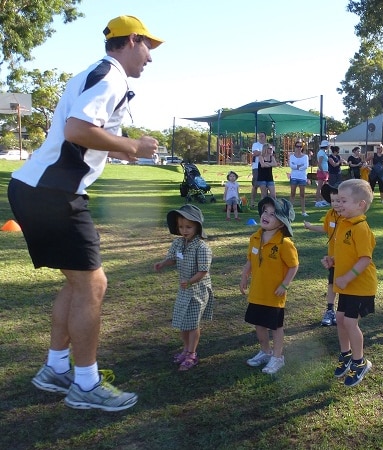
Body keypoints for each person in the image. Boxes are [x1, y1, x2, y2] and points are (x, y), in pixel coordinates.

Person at [7, 15, 163, 411]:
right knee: (93, 285)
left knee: (79, 284)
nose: (150, 57)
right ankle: (85, 384)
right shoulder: (109, 76)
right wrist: (132, 146)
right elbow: (77, 130)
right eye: (149, 47)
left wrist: (117, 146)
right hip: (53, 192)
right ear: (131, 41)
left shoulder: (92, 74)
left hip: (36, 188)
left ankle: (57, 368)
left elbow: (81, 136)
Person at [324, 179, 378, 387]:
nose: (339, 204)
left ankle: (360, 361)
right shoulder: (344, 224)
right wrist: (332, 261)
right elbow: (347, 254)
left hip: (361, 286)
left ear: (360, 205)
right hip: (347, 285)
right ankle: (345, 355)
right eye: (337, 200)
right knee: (340, 319)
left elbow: (365, 259)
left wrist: (346, 277)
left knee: (349, 322)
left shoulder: (361, 228)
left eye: (343, 200)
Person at [240, 197, 299, 375]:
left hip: (275, 294)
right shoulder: (255, 237)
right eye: (265, 211)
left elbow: (293, 266)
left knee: (276, 327)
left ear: (281, 223)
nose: (266, 215)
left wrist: (285, 285)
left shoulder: (284, 243)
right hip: (257, 292)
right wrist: (244, 276)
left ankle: (278, 357)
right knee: (259, 324)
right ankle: (265, 352)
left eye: (273, 214)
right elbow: (250, 260)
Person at [154, 205, 214, 371]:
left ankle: (192, 354)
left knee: (193, 323)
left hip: (198, 290)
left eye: (188, 227)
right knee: (182, 321)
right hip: (184, 288)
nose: (184, 230)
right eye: (181, 227)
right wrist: (163, 263)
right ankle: (185, 349)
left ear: (197, 227)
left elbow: (203, 270)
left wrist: (190, 281)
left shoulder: (202, 248)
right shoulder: (178, 243)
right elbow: (173, 259)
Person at [304, 183, 341, 327]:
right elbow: (325, 228)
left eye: (339, 200)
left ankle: (341, 313)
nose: (336, 204)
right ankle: (330, 310)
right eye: (333, 201)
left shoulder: (348, 217)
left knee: (343, 285)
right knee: (332, 283)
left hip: (346, 260)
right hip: (332, 259)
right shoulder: (330, 215)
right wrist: (310, 227)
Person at [289, 140, 309, 217]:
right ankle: (290, 210)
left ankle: (303, 211)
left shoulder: (305, 156)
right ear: (295, 147)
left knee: (302, 194)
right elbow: (291, 166)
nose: (298, 148)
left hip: (302, 177)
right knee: (292, 193)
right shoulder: (292, 156)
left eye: (300, 146)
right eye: (297, 146)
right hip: (294, 176)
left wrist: (297, 167)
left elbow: (305, 166)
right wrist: (299, 166)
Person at [250, 132, 266, 207]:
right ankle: (252, 202)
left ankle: (263, 202)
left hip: (266, 166)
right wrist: (265, 152)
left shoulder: (267, 145)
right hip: (256, 166)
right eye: (259, 136)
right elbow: (255, 153)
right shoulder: (255, 144)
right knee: (255, 185)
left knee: (264, 185)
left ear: (265, 137)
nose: (260, 137)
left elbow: (271, 154)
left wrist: (261, 152)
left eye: (262, 136)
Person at [315, 140, 330, 207]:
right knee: (320, 186)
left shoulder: (323, 152)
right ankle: (317, 201)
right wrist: (323, 171)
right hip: (322, 171)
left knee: (323, 187)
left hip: (325, 171)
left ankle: (322, 200)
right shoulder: (321, 153)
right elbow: (319, 163)